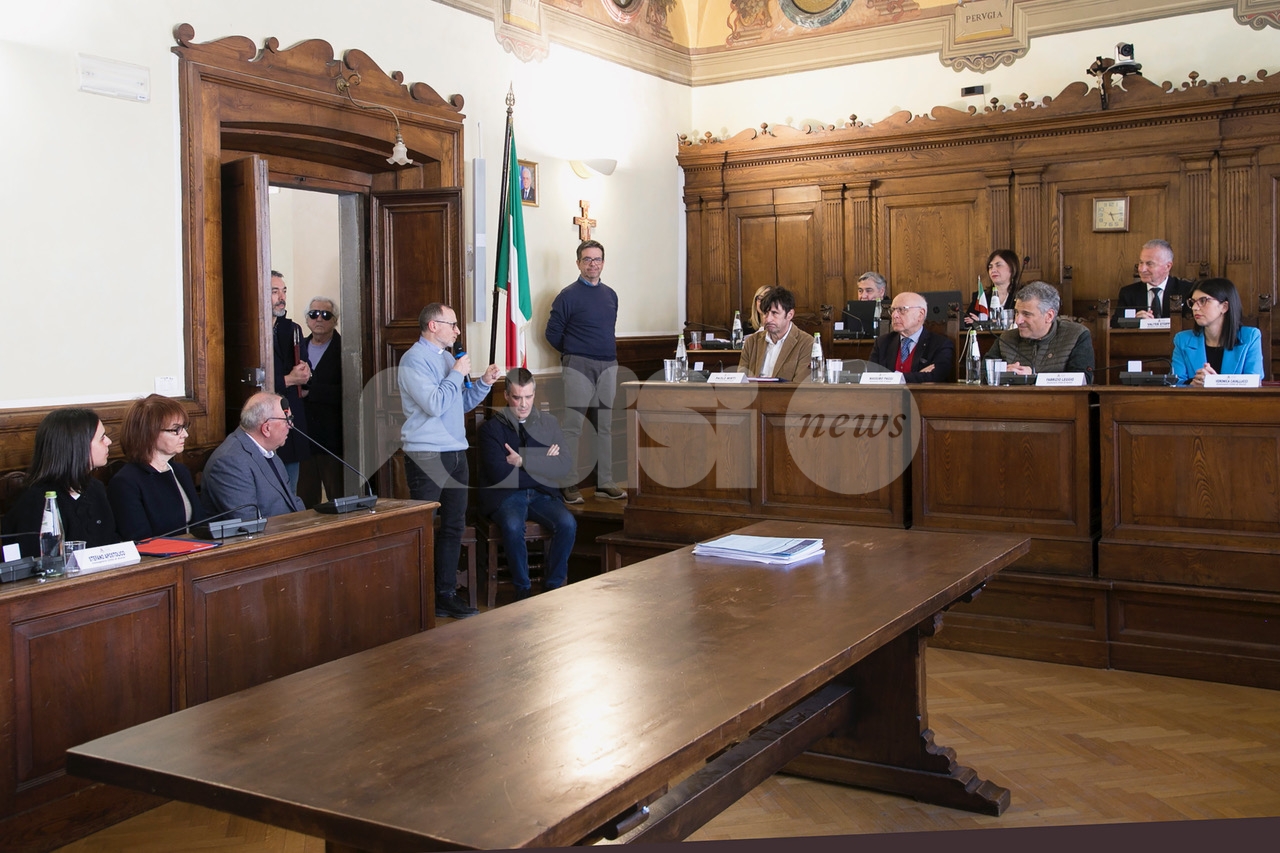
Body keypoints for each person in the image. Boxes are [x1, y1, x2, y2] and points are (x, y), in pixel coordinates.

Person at [400, 302, 501, 619]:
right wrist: (457, 372)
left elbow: (460, 403)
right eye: (452, 324)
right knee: (425, 527)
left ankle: (445, 595)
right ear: (433, 326)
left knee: (454, 525)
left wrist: (483, 383)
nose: (458, 331)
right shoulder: (413, 360)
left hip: (456, 451)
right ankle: (421, 597)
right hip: (427, 454)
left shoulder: (446, 357)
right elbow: (434, 403)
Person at [477, 368, 577, 601]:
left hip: (543, 494)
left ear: (534, 394)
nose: (523, 404)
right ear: (506, 395)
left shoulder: (549, 423)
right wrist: (544, 465)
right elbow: (500, 475)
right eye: (517, 397)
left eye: (528, 397)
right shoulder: (492, 429)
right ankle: (523, 590)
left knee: (568, 523)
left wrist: (523, 461)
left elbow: (564, 467)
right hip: (506, 495)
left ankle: (552, 588)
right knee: (512, 526)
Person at [545, 240, 623, 504]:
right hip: (578, 365)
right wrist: (574, 352)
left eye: (597, 259)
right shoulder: (567, 296)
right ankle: (568, 483)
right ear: (578, 263)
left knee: (605, 427)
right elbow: (552, 334)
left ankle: (605, 482)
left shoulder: (611, 295)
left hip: (608, 365)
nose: (593, 264)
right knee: (573, 427)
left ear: (603, 262)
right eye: (587, 259)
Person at [2, 408, 118, 557]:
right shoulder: (36, 501)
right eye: (102, 438)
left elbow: (110, 543)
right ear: (77, 446)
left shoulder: (96, 488)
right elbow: (34, 561)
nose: (109, 441)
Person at [108, 395, 201, 540]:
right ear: (149, 433)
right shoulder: (126, 482)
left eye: (184, 427)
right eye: (176, 429)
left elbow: (201, 523)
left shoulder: (181, 471)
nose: (185, 434)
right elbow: (140, 539)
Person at [202, 392, 306, 519]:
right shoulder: (229, 462)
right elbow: (248, 522)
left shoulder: (269, 453)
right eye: (287, 420)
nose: (291, 425)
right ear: (266, 428)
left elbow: (292, 502)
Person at [990, 281, 1095, 380]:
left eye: (1026, 314)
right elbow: (983, 375)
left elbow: (1082, 380)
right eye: (1017, 312)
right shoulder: (1006, 339)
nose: (1017, 321)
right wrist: (1000, 374)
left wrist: (1034, 377)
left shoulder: (1076, 335)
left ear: (1049, 316)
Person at [1171, 277, 1263, 386]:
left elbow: (1254, 382)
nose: (1195, 308)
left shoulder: (1250, 337)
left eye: (1203, 301)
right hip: (1195, 397)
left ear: (1224, 307)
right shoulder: (1182, 340)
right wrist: (1192, 384)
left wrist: (1216, 382)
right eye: (1193, 302)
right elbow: (1175, 383)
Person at [297, 296, 343, 506]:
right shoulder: (298, 348)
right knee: (305, 496)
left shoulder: (344, 349)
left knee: (338, 495)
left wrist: (312, 392)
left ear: (335, 320)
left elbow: (349, 391)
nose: (319, 319)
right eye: (314, 314)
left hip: (332, 437)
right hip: (303, 434)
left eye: (326, 315)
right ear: (307, 319)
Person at [270, 271, 312, 491]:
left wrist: (307, 374)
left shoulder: (293, 329)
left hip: (291, 417)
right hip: (265, 419)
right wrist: (287, 380)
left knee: (290, 489)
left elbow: (306, 369)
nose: (282, 297)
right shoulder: (252, 332)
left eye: (284, 291)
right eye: (274, 291)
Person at [869, 292, 955, 383]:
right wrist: (917, 376)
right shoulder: (882, 343)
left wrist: (891, 378)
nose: (894, 315)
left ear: (920, 314)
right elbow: (870, 376)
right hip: (887, 393)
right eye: (893, 310)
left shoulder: (940, 344)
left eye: (902, 310)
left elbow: (937, 376)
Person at [1111, 240, 1195, 327]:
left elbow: (1193, 323)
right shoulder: (1128, 293)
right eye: (1141, 263)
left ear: (1167, 266)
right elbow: (1114, 323)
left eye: (1149, 264)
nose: (1142, 269)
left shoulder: (1187, 290)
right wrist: (1134, 321)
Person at [737, 287, 811, 382]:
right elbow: (741, 381)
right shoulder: (751, 342)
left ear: (790, 315)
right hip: (753, 392)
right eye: (765, 313)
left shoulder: (807, 343)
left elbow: (800, 386)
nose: (768, 319)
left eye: (774, 313)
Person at [963, 250, 1021, 326]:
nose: (993, 270)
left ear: (1012, 268)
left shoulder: (1022, 296)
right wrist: (977, 324)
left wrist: (984, 323)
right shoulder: (981, 297)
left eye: (998, 265)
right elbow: (966, 322)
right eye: (990, 267)